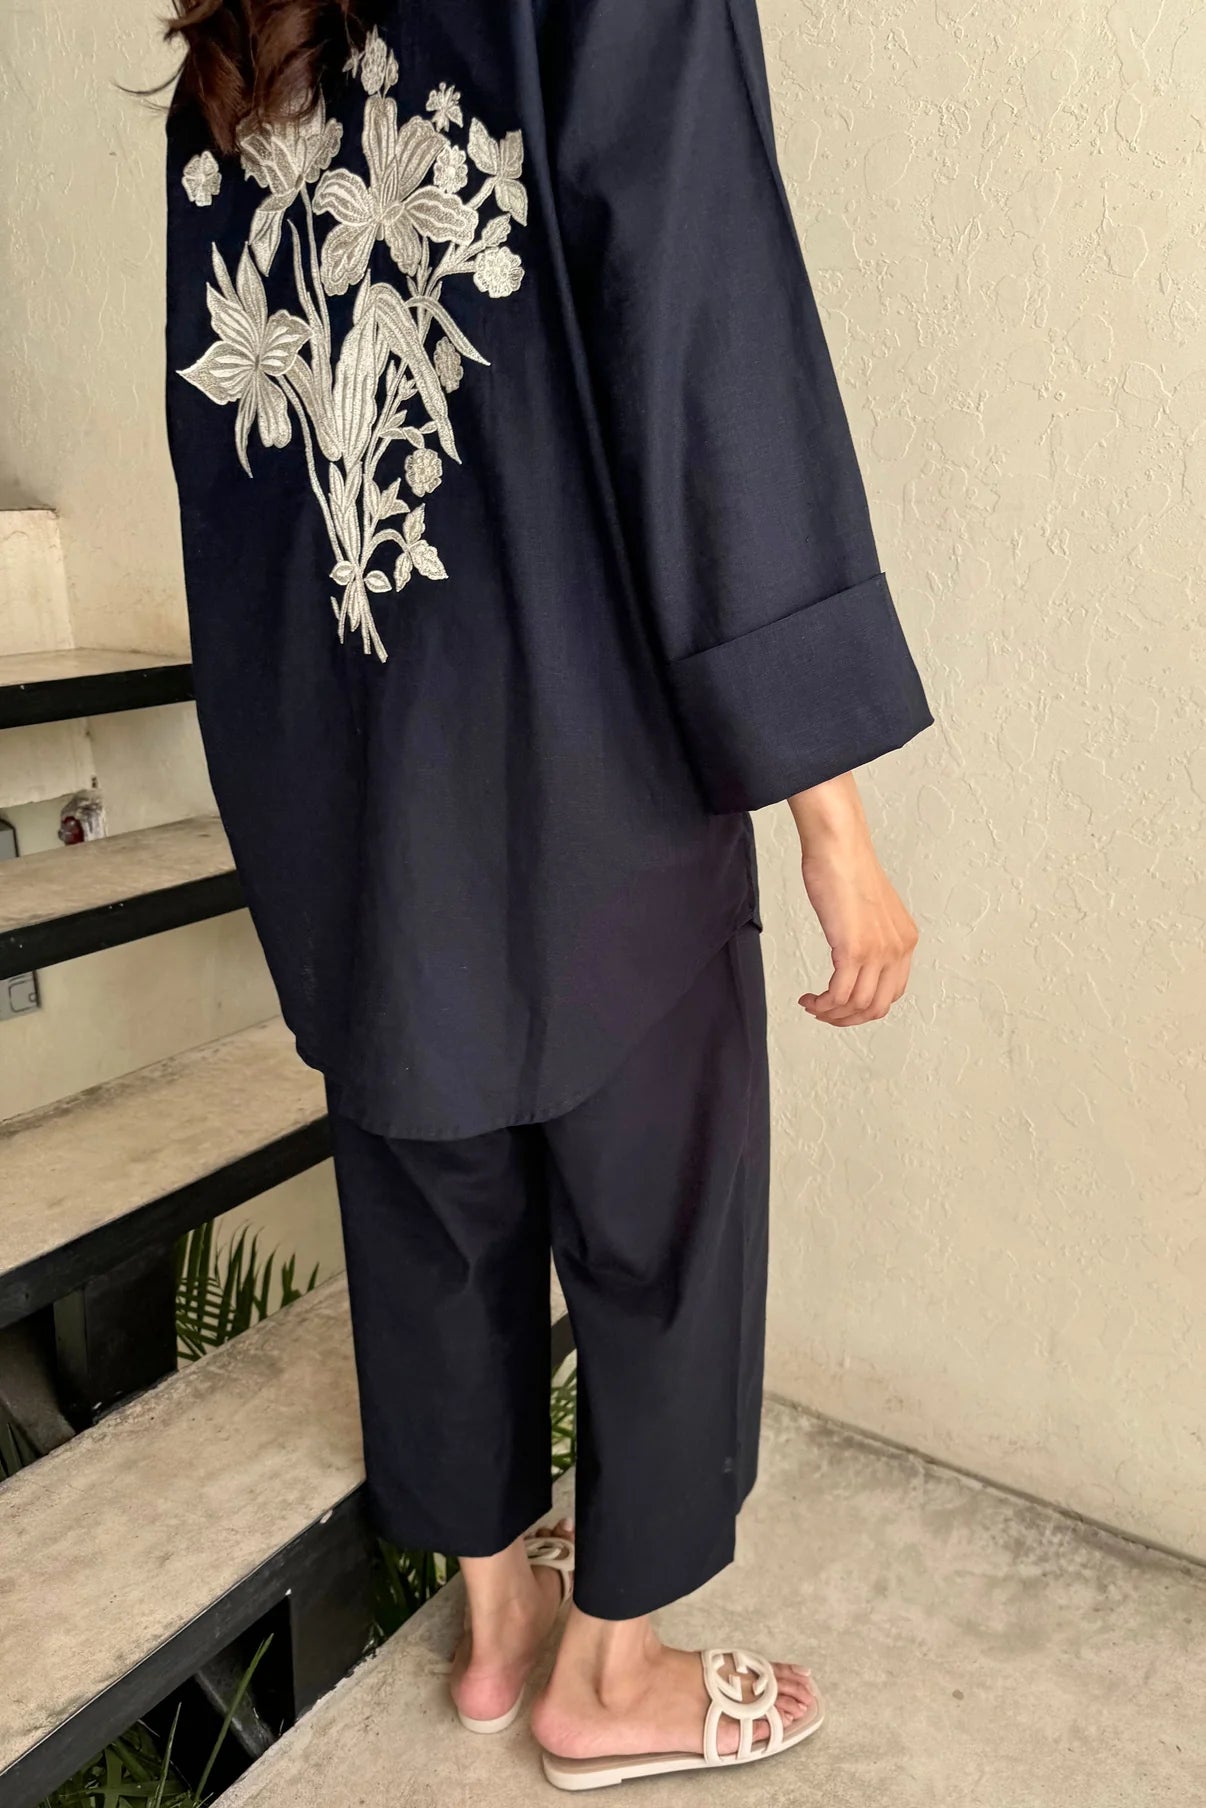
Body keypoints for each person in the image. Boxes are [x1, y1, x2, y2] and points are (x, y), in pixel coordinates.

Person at [163, 0, 932, 1788]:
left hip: (349, 733)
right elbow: (702, 340)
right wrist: (826, 813)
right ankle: (611, 1670)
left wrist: (293, 778)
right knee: (661, 1197)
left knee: (429, 1182)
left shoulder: (236, 26)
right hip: (582, 722)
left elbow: (234, 452)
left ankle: (498, 1624)